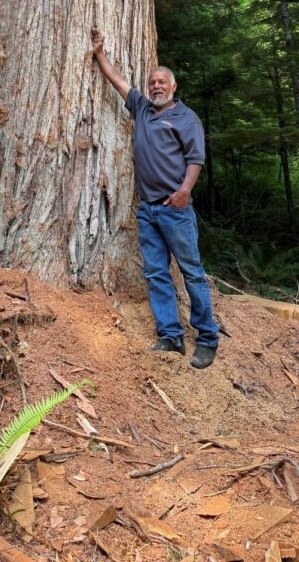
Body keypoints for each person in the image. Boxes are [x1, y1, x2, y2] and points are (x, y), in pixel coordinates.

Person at [91, 28, 219, 369]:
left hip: (174, 209)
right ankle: (170, 336)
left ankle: (207, 337)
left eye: (163, 82)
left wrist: (184, 192)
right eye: (152, 83)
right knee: (156, 273)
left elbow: (196, 159)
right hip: (147, 210)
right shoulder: (143, 109)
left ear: (174, 86)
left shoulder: (185, 118)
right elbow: (118, 81)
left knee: (191, 272)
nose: (156, 86)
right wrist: (99, 53)